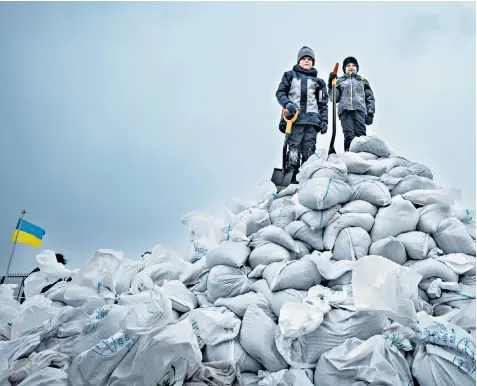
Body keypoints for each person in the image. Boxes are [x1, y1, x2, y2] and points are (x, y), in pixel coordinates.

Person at [276, 46, 329, 171]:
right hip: (294, 120)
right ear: (298, 61)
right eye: (304, 58)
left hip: (311, 122)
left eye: (309, 59)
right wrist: (288, 104)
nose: (306, 61)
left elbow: (322, 104)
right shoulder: (290, 76)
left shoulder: (319, 82)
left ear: (313, 63)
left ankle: (306, 181)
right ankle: (290, 178)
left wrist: (324, 120)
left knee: (309, 153)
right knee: (293, 152)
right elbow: (280, 93)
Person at [328, 56, 376, 152]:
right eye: (348, 65)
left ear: (357, 68)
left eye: (354, 65)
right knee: (349, 135)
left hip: (360, 110)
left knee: (361, 135)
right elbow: (334, 98)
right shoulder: (339, 81)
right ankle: (349, 155)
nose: (351, 67)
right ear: (344, 69)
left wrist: (370, 113)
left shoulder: (362, 81)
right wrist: (330, 85)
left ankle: (363, 156)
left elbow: (369, 97)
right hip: (345, 112)